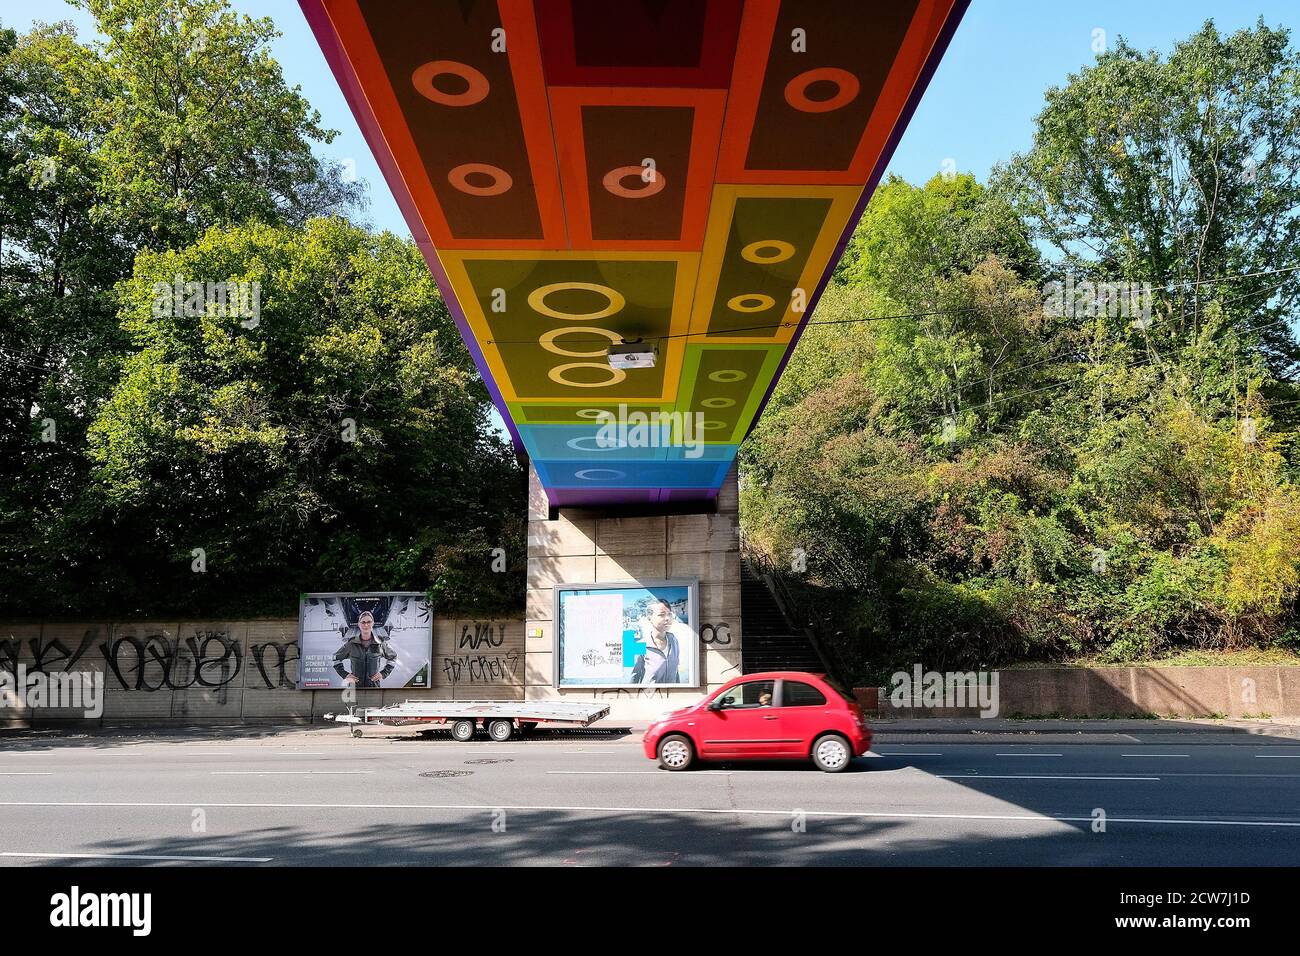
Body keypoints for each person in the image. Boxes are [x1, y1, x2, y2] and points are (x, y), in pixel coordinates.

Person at [631, 597, 688, 685]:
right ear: (650, 618)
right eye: (662, 615)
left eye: (669, 614)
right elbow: (633, 679)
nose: (667, 618)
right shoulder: (639, 645)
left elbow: (676, 672)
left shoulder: (674, 640)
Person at [332, 611, 398, 688]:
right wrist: (345, 675)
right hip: (355, 688)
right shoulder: (351, 643)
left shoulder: (380, 643)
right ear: (359, 624)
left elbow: (393, 657)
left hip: (374, 688)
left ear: (373, 623)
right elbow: (335, 658)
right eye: (363, 622)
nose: (366, 625)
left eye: (369, 622)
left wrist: (383, 673)